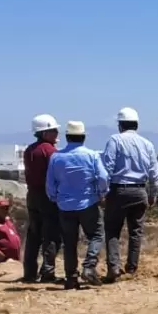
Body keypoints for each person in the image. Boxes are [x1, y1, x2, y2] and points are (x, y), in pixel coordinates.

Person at [101, 107, 158, 282]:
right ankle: (132, 267)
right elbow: (154, 174)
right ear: (137, 125)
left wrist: (103, 192)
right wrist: (152, 194)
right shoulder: (147, 144)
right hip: (139, 191)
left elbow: (107, 169)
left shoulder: (115, 140)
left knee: (112, 230)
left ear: (120, 125)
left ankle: (113, 267)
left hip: (118, 190)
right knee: (136, 231)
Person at [46, 121, 109, 289]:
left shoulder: (56, 157)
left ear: (67, 137)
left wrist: (55, 198)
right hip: (88, 203)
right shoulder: (92, 155)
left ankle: (71, 278)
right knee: (96, 235)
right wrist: (102, 193)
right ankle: (89, 266)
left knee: (69, 242)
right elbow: (103, 177)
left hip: (65, 206)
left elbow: (50, 184)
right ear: (83, 137)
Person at [23, 114, 62, 283]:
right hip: (47, 197)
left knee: (34, 235)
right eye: (54, 130)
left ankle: (29, 272)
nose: (56, 134)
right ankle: (47, 271)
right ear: (45, 133)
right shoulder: (50, 151)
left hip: (32, 195)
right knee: (51, 234)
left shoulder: (29, 150)